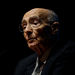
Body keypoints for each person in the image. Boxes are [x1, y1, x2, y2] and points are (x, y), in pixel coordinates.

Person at [14, 8, 75, 75]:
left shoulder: (69, 55)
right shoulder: (23, 64)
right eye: (24, 26)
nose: (27, 30)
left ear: (54, 28)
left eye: (35, 23)